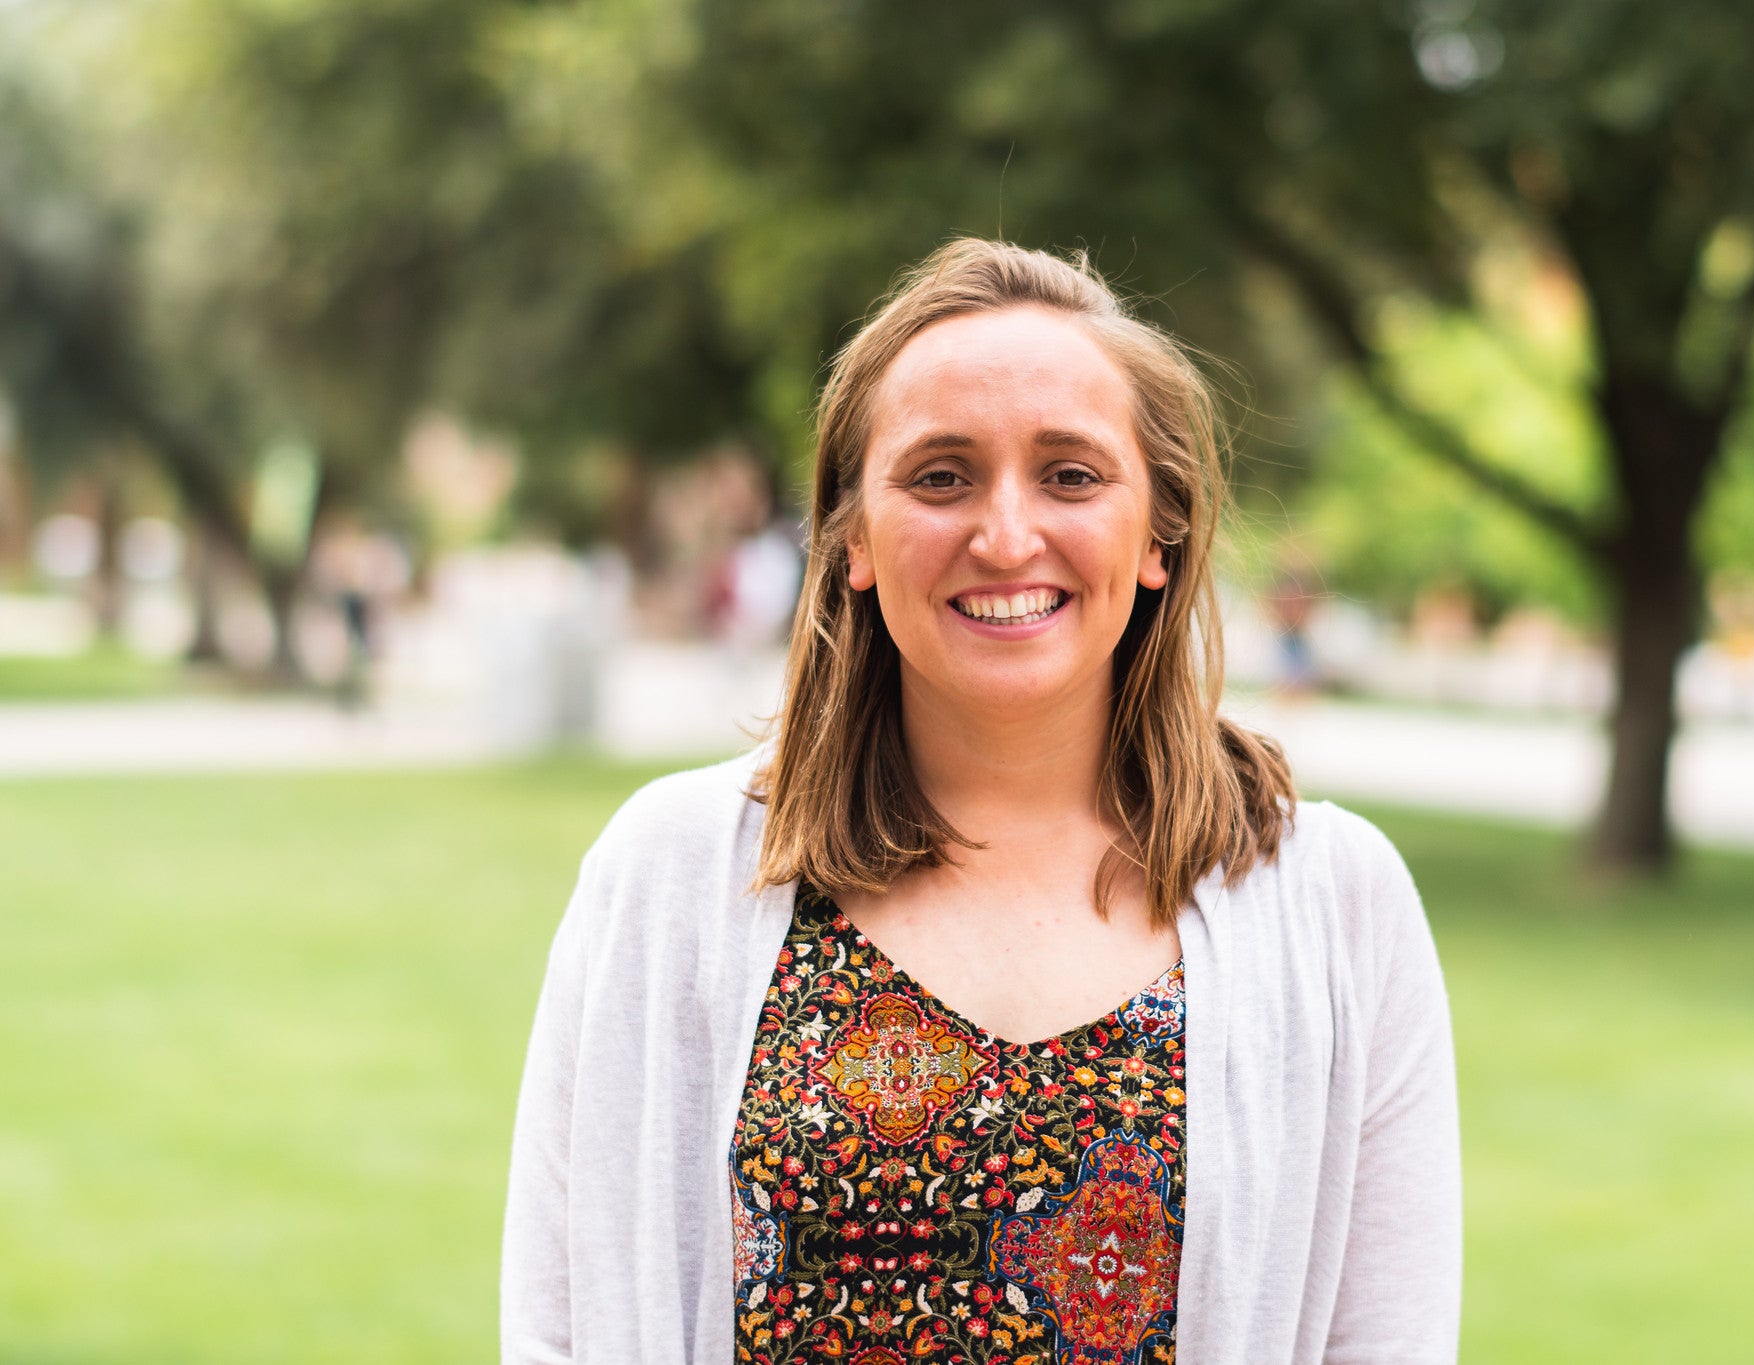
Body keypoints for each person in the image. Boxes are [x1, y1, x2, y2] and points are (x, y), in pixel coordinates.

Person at [501, 239, 1462, 1364]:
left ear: (1160, 533)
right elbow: (565, 1330)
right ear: (850, 536)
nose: (1005, 536)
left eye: (1070, 475)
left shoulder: (1332, 906)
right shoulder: (670, 878)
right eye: (940, 476)